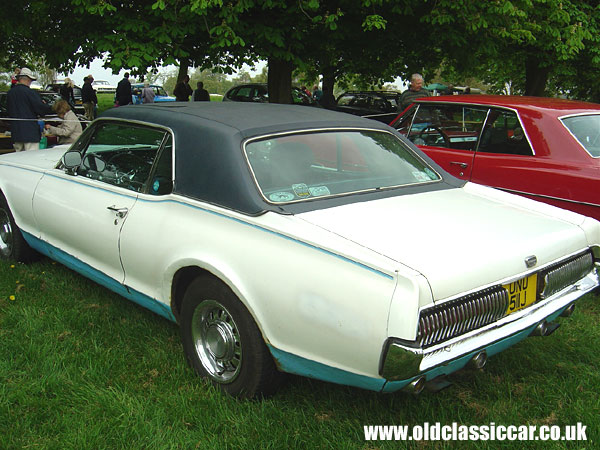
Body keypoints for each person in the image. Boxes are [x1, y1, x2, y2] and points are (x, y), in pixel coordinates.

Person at [6, 67, 52, 151]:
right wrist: (47, 106)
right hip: (30, 132)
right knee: (32, 158)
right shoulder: (30, 93)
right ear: (27, 79)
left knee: (18, 157)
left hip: (16, 132)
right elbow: (40, 108)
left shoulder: (10, 93)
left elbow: (8, 111)